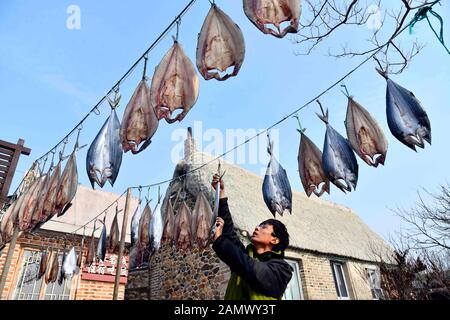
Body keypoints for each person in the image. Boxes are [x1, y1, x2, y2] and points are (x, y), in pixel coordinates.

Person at [211, 173, 293, 300]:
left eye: (264, 227)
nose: (257, 228)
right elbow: (229, 232)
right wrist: (221, 193)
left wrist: (221, 242)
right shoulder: (246, 256)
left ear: (274, 239)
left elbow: (253, 270)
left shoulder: (282, 270)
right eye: (258, 226)